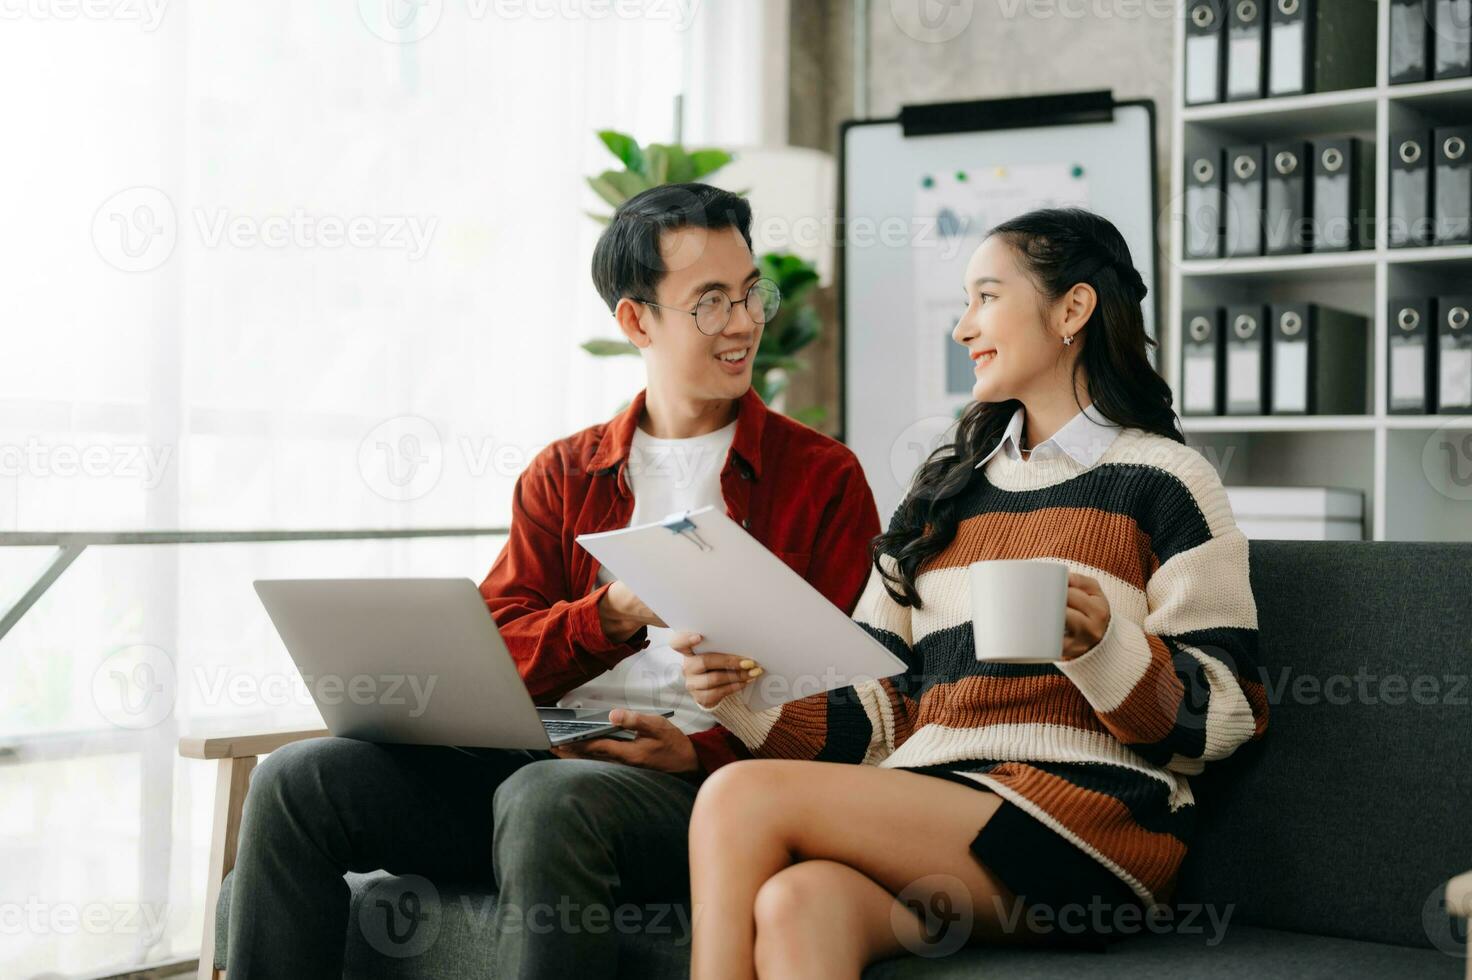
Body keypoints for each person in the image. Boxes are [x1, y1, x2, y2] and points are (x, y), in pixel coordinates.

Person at [224, 182, 880, 979]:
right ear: (637, 320)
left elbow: (857, 701)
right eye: (710, 302)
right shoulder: (566, 473)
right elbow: (496, 650)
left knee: (543, 801)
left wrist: (698, 753)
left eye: (750, 294)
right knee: (298, 780)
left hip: (697, 794)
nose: (744, 324)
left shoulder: (823, 478)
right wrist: (607, 615)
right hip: (545, 759)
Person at [675, 207, 1270, 979]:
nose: (963, 328)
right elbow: (878, 719)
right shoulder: (940, 498)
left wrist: (1106, 649)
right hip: (941, 807)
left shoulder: (1167, 482)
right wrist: (742, 696)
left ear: (1073, 310)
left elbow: (1227, 713)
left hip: (1091, 827)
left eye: (986, 297)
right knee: (799, 903)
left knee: (736, 798)